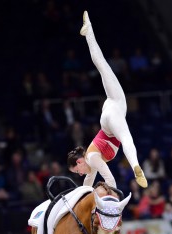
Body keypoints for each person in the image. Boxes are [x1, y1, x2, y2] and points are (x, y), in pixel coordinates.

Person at [67, 11, 148, 189]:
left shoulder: (92, 158)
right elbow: (87, 183)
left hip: (112, 114)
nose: (80, 174)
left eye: (77, 171)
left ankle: (136, 167)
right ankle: (88, 31)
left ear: (80, 162)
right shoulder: (91, 159)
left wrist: (98, 203)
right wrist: (79, 198)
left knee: (127, 138)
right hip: (113, 110)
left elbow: (110, 181)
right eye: (77, 174)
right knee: (102, 64)